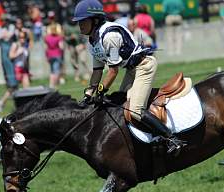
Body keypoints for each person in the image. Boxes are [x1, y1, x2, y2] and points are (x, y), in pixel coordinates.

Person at [73, 0, 184, 155]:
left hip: (144, 66)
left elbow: (112, 71)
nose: (80, 25)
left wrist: (100, 92)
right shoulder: (93, 41)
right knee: (119, 102)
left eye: (83, 21)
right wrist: (88, 94)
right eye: (79, 22)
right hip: (132, 70)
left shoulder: (109, 36)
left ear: (95, 20)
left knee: (135, 110)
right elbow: (97, 71)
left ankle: (172, 138)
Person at [0, 20, 18, 110]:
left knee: (15, 85)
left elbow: (10, 35)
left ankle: (6, 102)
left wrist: (4, 34)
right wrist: (5, 34)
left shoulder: (11, 26)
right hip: (6, 55)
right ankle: (2, 102)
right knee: (13, 84)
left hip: (12, 54)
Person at [44, 23, 64, 89]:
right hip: (57, 55)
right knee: (56, 71)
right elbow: (61, 47)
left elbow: (46, 48)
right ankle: (54, 85)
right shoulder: (59, 37)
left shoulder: (47, 38)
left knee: (52, 71)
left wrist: (46, 56)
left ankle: (51, 84)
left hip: (50, 55)